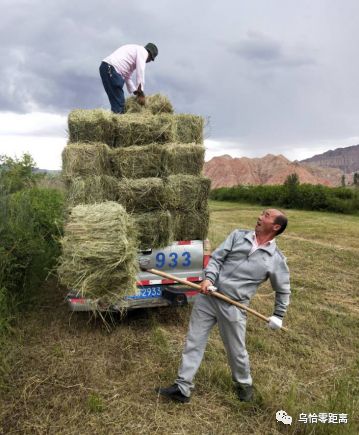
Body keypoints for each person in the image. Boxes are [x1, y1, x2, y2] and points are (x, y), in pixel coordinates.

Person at [157, 209, 290, 403]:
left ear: (276, 227)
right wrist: (209, 279)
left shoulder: (275, 259)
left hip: (234, 306)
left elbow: (283, 289)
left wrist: (278, 315)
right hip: (209, 297)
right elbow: (217, 258)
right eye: (262, 214)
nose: (260, 217)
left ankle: (244, 385)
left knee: (236, 350)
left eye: (266, 216)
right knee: (194, 341)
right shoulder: (238, 236)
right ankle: (182, 387)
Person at [99, 43, 158, 114]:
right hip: (111, 69)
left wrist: (135, 91)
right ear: (150, 54)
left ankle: (114, 120)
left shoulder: (135, 51)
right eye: (151, 59)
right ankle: (117, 123)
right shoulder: (143, 52)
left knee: (116, 101)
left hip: (105, 67)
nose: (148, 61)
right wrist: (140, 92)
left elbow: (127, 76)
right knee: (119, 103)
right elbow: (140, 71)